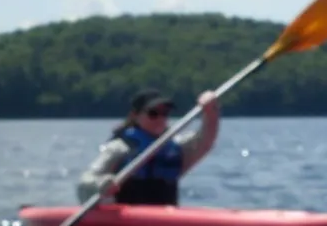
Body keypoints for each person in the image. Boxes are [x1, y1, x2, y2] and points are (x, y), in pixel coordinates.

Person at [76, 87, 221, 205]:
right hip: (126, 222)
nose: (160, 118)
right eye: (153, 113)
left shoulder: (175, 148)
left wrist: (211, 112)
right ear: (135, 115)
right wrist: (100, 183)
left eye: (165, 113)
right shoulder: (119, 148)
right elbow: (86, 179)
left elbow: (205, 142)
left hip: (164, 221)